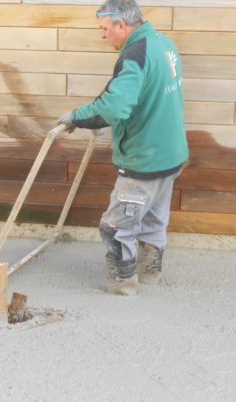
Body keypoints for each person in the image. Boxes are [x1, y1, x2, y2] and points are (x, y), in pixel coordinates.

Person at [58, 0, 189, 295]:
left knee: (116, 228)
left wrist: (76, 117)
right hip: (170, 154)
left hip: (143, 159)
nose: (102, 35)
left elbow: (114, 108)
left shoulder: (135, 55)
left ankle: (122, 287)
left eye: (105, 29)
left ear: (121, 25)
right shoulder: (163, 43)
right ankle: (150, 274)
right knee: (154, 220)